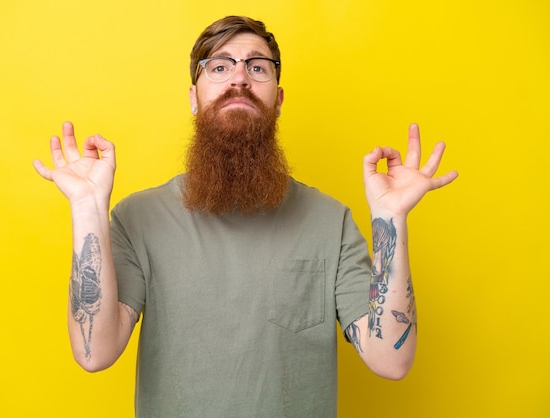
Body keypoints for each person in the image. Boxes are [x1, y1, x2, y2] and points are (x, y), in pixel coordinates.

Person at [33, 15, 458, 417]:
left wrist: (390, 218)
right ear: (193, 98)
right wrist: (88, 208)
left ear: (279, 98)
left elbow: (392, 360)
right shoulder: (138, 218)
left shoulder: (332, 222)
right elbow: (95, 353)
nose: (239, 78)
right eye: (219, 67)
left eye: (258, 68)